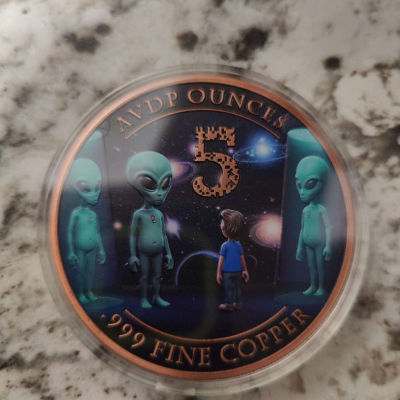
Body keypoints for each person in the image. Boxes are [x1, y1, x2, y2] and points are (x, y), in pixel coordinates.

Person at [216, 209, 249, 312]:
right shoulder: (238, 245)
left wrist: (218, 273)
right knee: (238, 288)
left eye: (222, 223)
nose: (221, 226)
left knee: (229, 289)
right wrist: (245, 270)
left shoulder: (225, 246)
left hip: (228, 272)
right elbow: (242, 258)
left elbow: (221, 260)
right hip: (238, 271)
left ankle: (229, 305)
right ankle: (238, 304)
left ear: (224, 228)